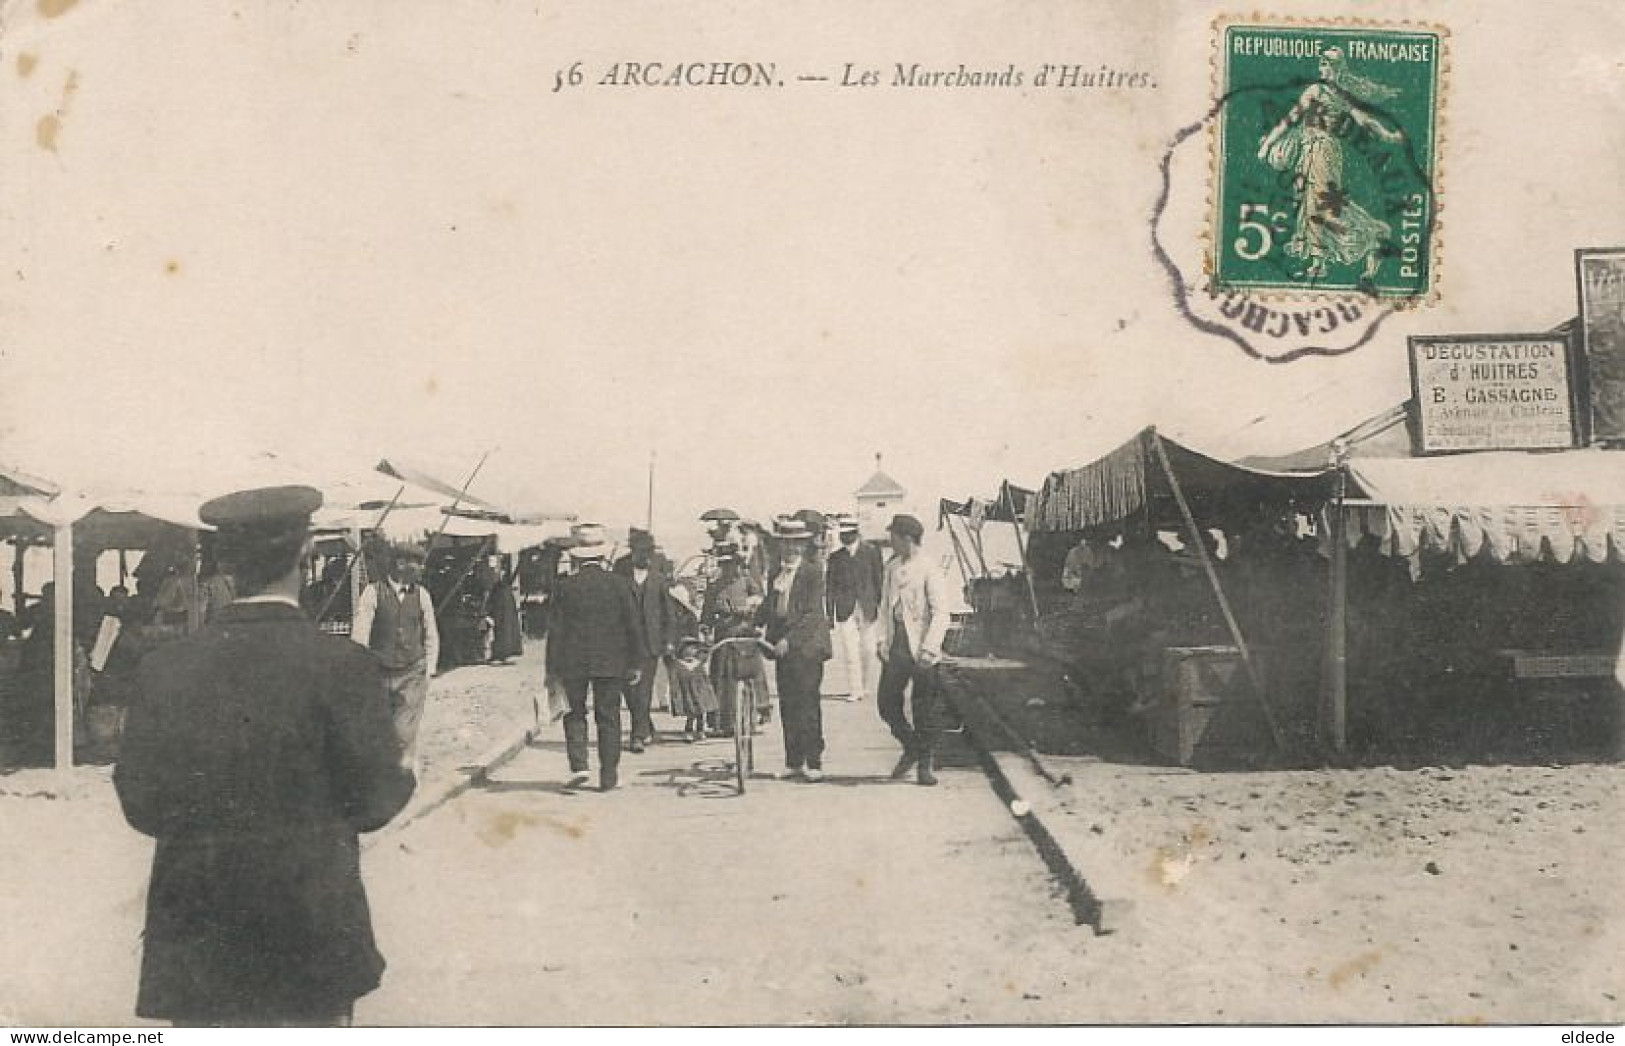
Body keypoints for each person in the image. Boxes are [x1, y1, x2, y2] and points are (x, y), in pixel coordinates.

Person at [113, 485, 414, 1027]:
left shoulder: (165, 667)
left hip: (200, 939)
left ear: (225, 561)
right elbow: (376, 802)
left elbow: (141, 804)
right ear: (305, 554)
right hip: (311, 935)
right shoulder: (343, 665)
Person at [1257, 46, 1405, 281]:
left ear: (1339, 70)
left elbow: (1364, 120)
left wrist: (1387, 135)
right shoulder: (1314, 91)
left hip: (1326, 152)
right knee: (1311, 202)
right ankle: (1364, 240)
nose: (1324, 69)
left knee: (1322, 202)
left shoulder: (1341, 96)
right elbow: (1290, 119)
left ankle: (1321, 261)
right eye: (1322, 65)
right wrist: (1267, 145)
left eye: (1330, 66)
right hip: (1308, 152)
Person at [546, 533, 648, 792]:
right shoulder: (620, 585)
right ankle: (608, 775)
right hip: (611, 661)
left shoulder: (565, 587)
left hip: (573, 660)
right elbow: (633, 626)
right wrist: (636, 662)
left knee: (574, 711)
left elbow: (555, 630)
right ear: (603, 556)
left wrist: (552, 669)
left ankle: (580, 765)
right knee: (608, 716)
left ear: (576, 558)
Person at [875, 514, 953, 786]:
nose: (890, 541)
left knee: (924, 707)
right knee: (886, 703)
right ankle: (911, 746)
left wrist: (930, 648)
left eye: (893, 536)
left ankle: (924, 764)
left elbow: (942, 612)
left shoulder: (929, 568)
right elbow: (885, 607)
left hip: (921, 645)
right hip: (897, 644)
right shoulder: (892, 567)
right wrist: (882, 640)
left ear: (906, 538)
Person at [351, 543, 440, 773]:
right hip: (380, 672)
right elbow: (360, 635)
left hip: (412, 671)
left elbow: (431, 634)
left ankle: (405, 777)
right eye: (417, 563)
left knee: (405, 731)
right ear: (400, 564)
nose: (421, 568)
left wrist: (429, 670)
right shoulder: (372, 592)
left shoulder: (422, 595)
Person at [759, 518, 832, 781]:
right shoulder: (776, 573)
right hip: (782, 647)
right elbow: (770, 606)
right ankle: (793, 761)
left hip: (808, 646)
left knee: (808, 704)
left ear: (803, 545)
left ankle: (814, 762)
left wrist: (789, 641)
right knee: (788, 704)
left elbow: (813, 614)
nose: (790, 549)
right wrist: (753, 624)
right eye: (785, 544)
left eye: (795, 544)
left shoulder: (813, 572)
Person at [612, 528, 675, 751]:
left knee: (644, 688)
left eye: (648, 552)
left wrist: (668, 640)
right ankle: (645, 723)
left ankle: (637, 736)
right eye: (640, 552)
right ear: (632, 552)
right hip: (624, 641)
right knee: (628, 689)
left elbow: (668, 611)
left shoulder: (658, 577)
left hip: (650, 641)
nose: (645, 557)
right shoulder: (620, 571)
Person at [701, 543, 768, 736]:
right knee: (722, 677)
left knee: (753, 671)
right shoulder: (714, 587)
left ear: (738, 564)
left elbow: (760, 601)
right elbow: (706, 616)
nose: (729, 569)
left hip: (745, 634)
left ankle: (756, 713)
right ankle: (723, 721)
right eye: (725, 565)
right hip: (724, 637)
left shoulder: (747, 582)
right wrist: (706, 629)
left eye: (732, 564)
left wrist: (750, 609)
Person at [826, 515, 883, 703]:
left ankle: (864, 685)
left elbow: (879, 580)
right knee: (850, 650)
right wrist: (829, 614)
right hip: (845, 609)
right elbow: (830, 588)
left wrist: (881, 606)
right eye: (842, 535)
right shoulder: (835, 558)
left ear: (857, 533)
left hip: (867, 606)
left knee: (868, 649)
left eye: (848, 534)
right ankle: (855, 689)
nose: (845, 538)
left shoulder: (872, 552)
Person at [485, 555, 524, 664]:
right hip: (500, 611)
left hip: (505, 610)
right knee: (499, 632)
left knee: (504, 631)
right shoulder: (497, 587)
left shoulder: (504, 586)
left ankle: (504, 654)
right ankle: (499, 654)